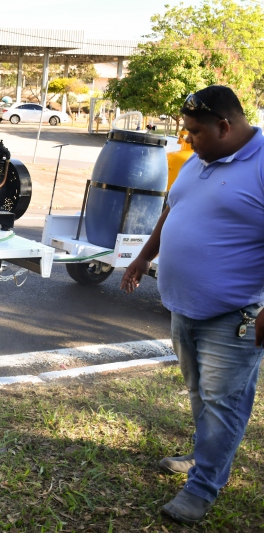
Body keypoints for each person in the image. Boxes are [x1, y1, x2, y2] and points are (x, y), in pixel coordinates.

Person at [121, 85, 264, 525]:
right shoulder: (198, 160)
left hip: (235, 314)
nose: (187, 139)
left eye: (195, 132)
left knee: (224, 403)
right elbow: (171, 211)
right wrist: (144, 257)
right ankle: (205, 457)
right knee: (200, 394)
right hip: (183, 308)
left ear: (225, 126)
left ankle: (202, 489)